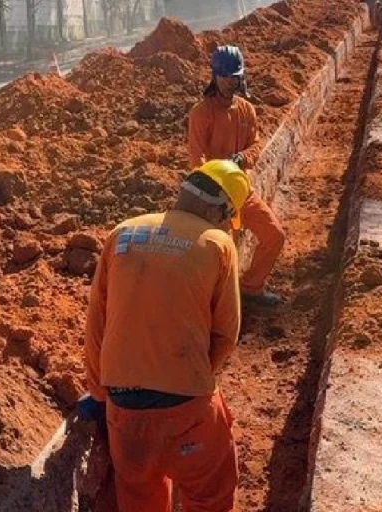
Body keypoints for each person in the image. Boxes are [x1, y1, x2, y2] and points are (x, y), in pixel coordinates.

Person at [79, 159, 249, 512]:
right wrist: (195, 376)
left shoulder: (123, 232)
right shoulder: (217, 244)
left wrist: (99, 391)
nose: (225, 227)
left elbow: (97, 321)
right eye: (227, 218)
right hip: (188, 410)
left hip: (125, 412)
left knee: (139, 498)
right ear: (219, 209)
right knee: (211, 495)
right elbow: (225, 334)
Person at [188, 45, 286, 308]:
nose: (229, 82)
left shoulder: (246, 110)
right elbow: (196, 160)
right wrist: (212, 195)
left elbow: (255, 144)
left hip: (242, 192)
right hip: (215, 199)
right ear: (214, 77)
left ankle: (252, 288)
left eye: (234, 77)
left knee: (274, 235)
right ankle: (220, 308)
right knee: (224, 254)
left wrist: (243, 158)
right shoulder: (201, 113)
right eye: (224, 77)